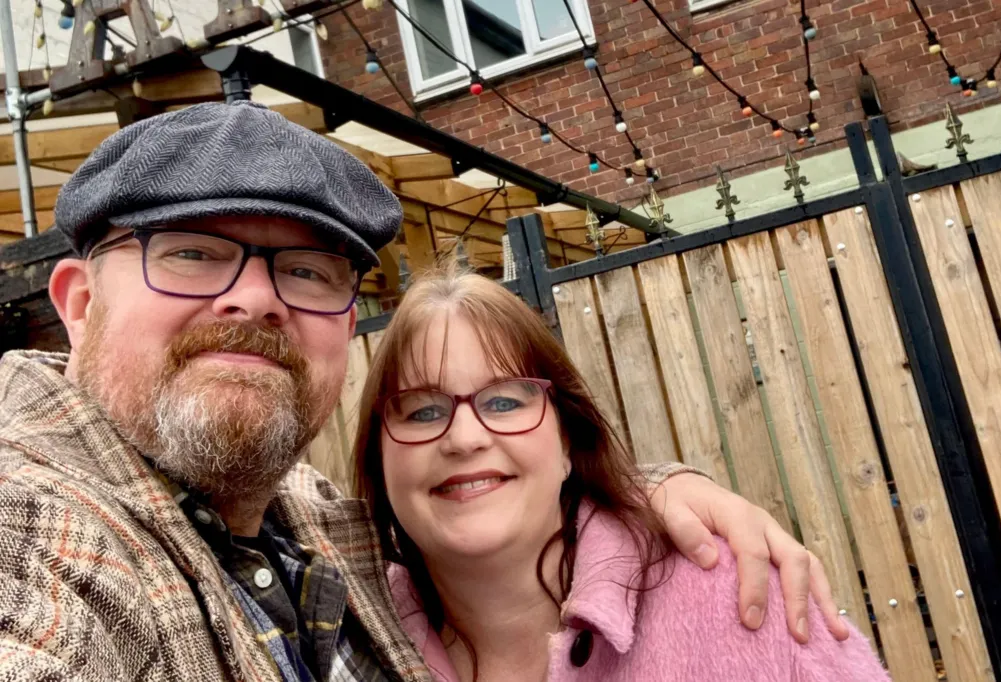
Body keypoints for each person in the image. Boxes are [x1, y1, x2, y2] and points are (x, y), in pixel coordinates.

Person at [0, 101, 844, 682]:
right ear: (79, 302)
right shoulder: (32, 532)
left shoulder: (320, 532)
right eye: (191, 252)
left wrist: (655, 494)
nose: (255, 298)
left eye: (306, 270)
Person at [353, 266, 890, 682]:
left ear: (567, 441)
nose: (465, 437)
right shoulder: (341, 642)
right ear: (378, 457)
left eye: (506, 401)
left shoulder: (740, 596)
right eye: (422, 411)